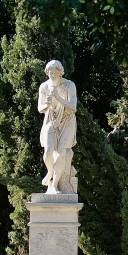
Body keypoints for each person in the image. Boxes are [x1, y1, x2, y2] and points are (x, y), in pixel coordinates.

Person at [38, 59, 78, 194]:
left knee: (62, 152)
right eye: (49, 72)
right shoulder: (44, 87)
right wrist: (48, 104)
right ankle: (50, 172)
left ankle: (54, 185)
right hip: (51, 120)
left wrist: (58, 98)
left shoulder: (69, 85)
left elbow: (73, 107)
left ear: (60, 73)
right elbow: (40, 108)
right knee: (48, 151)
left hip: (67, 121)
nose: (51, 75)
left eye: (54, 72)